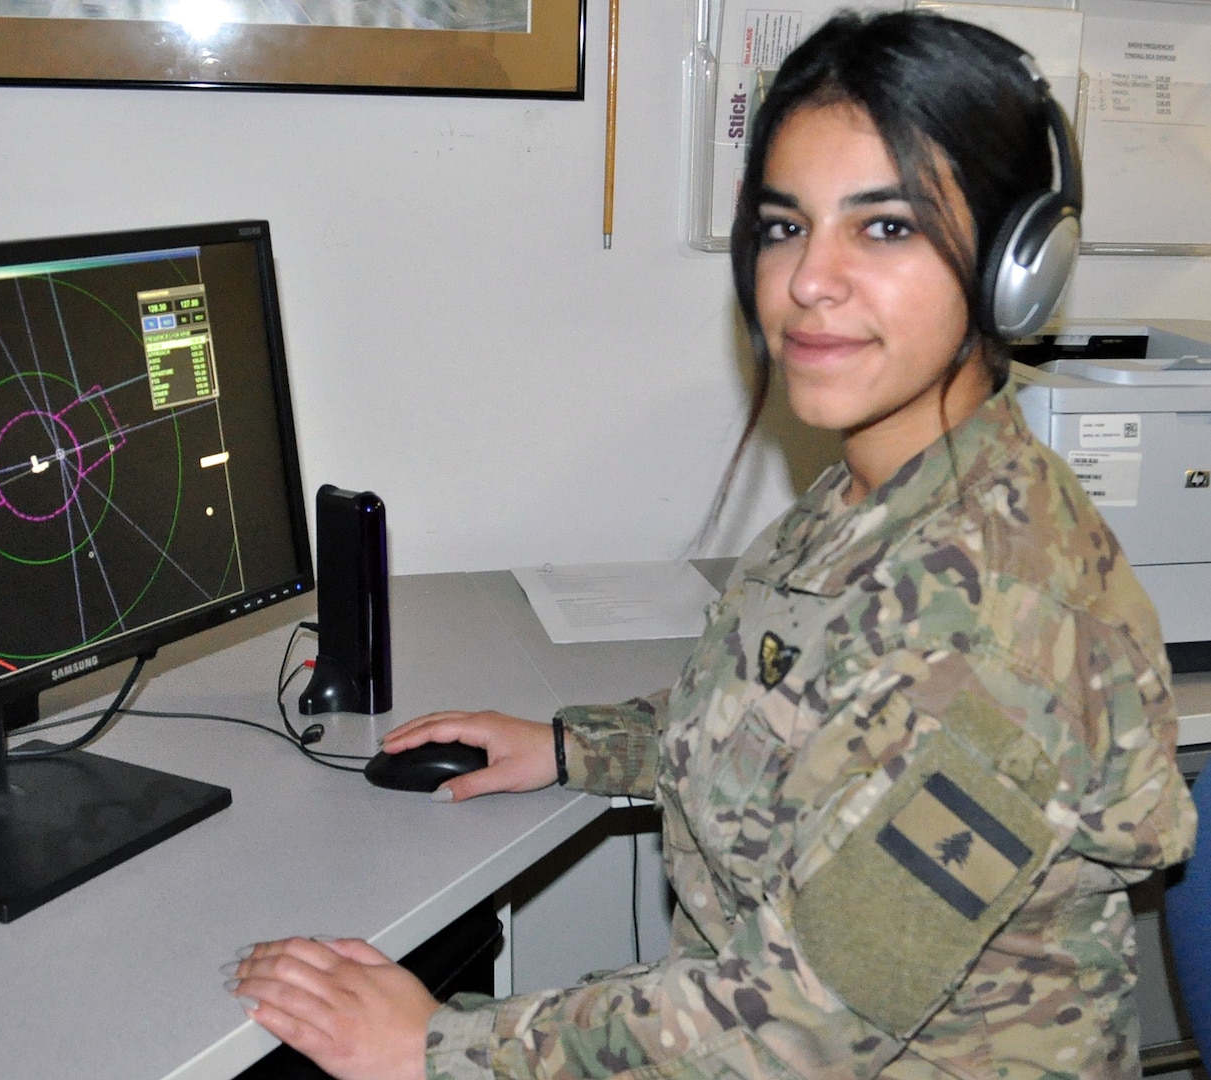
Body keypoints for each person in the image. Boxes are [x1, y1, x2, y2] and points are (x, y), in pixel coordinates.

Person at [224, 10, 1198, 1079]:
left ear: (1018, 265)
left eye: (884, 227)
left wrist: (439, 1045)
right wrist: (574, 748)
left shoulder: (1004, 621)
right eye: (784, 226)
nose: (806, 280)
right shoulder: (887, 488)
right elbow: (793, 721)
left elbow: (803, 1022)